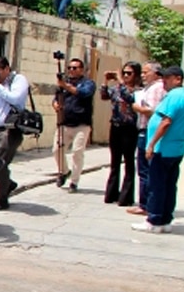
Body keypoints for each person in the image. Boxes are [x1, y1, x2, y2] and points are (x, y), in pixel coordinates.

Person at [133, 65, 184, 233]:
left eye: (167, 78)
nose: (163, 82)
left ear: (177, 79)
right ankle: (165, 219)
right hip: (176, 148)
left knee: (157, 184)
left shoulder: (174, 97)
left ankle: (154, 219)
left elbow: (166, 122)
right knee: (168, 185)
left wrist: (151, 144)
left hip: (163, 148)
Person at [0, 57, 30, 210]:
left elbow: (15, 99)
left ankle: (2, 198)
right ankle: (8, 183)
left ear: (7, 69)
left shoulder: (18, 80)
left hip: (9, 129)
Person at [52, 57, 96, 193]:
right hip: (65, 123)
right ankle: (64, 171)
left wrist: (65, 85)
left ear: (81, 70)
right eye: (69, 68)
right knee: (56, 150)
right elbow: (56, 98)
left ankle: (74, 182)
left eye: (75, 68)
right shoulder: (64, 84)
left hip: (81, 124)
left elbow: (83, 94)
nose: (71, 70)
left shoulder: (88, 83)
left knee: (77, 152)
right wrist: (56, 105)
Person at [100, 62, 140, 207]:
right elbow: (104, 95)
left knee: (128, 162)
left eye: (129, 73)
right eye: (124, 73)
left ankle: (126, 196)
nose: (125, 76)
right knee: (114, 162)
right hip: (116, 126)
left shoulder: (138, 90)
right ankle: (111, 194)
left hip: (129, 128)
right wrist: (105, 81)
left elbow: (128, 97)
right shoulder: (117, 88)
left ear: (135, 75)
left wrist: (121, 81)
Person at [128, 61, 165, 216]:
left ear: (156, 73)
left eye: (146, 72)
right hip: (147, 131)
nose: (143, 75)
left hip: (147, 131)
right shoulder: (153, 88)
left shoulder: (156, 88)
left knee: (144, 170)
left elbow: (151, 111)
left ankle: (145, 205)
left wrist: (136, 107)